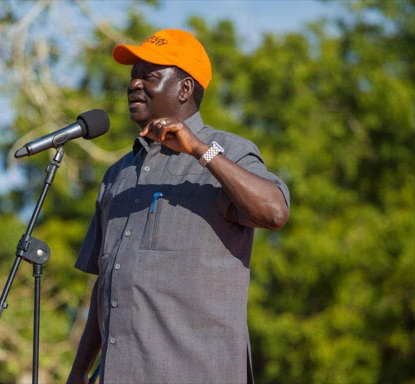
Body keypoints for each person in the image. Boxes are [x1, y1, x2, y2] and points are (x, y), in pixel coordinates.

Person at [67, 29, 290, 384]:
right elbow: (107, 283)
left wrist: (200, 151)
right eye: (132, 75)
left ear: (185, 89)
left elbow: (275, 212)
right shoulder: (116, 175)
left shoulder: (227, 150)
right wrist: (78, 373)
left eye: (149, 75)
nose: (134, 84)